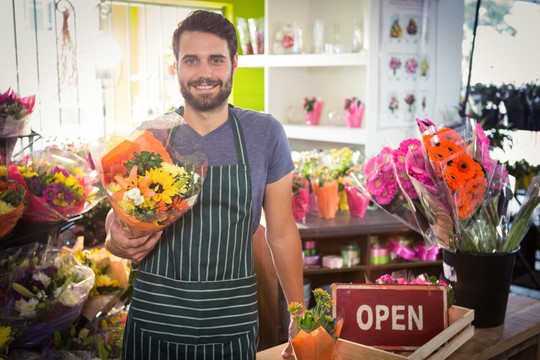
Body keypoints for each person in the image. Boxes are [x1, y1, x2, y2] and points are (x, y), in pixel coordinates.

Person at [105, 9, 305, 359]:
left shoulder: (264, 133)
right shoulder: (153, 134)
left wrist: (299, 314)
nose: (204, 73)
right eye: (191, 60)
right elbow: (119, 219)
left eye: (216, 59)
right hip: (155, 322)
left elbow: (282, 232)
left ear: (234, 63)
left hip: (231, 324)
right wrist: (117, 239)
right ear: (176, 66)